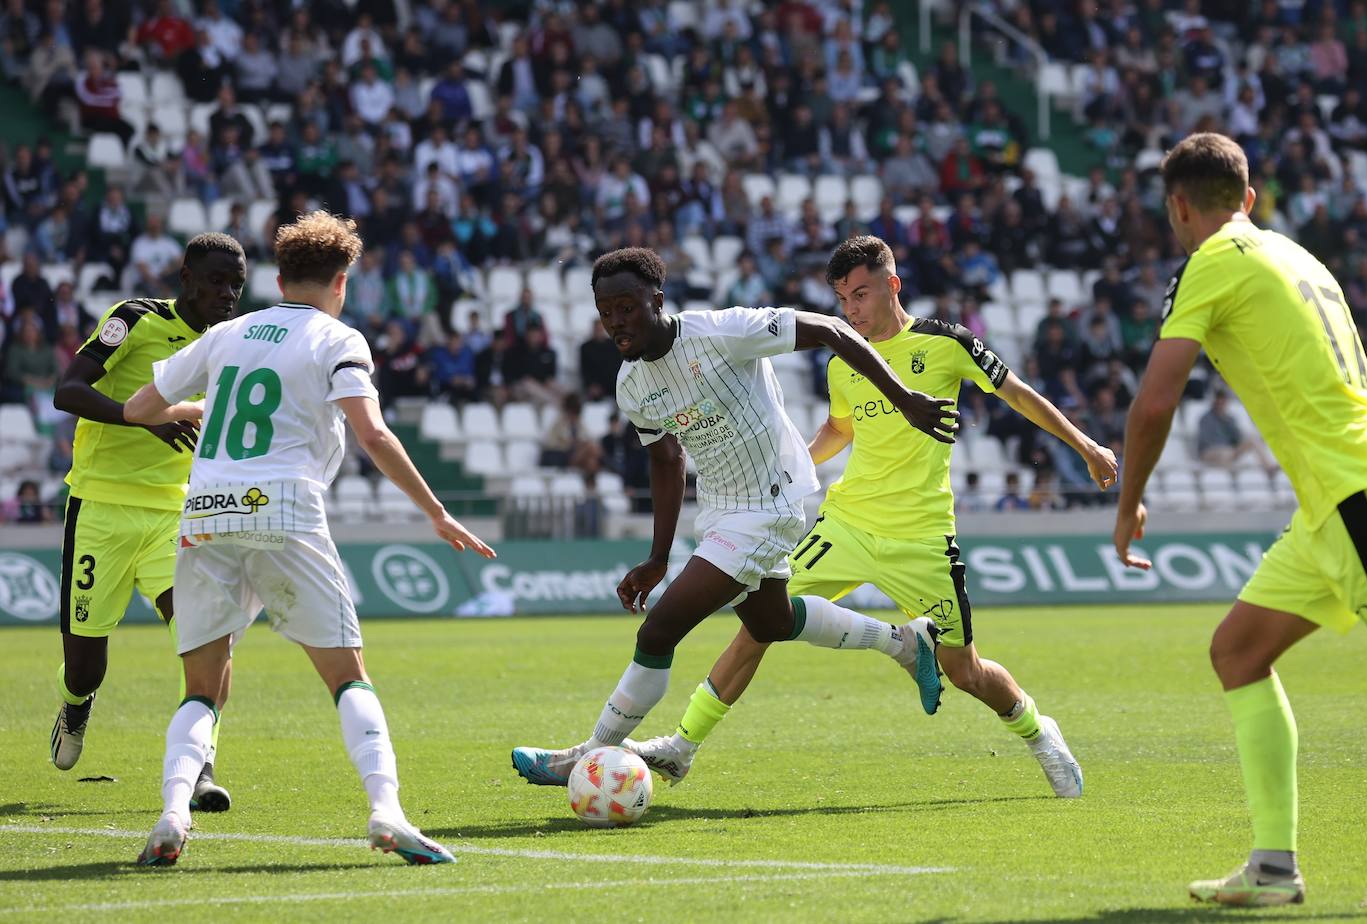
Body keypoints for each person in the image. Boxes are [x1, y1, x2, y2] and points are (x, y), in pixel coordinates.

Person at [625, 237, 1115, 795]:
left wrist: (1087, 448)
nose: (852, 310)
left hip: (925, 538)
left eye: (861, 294)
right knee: (761, 624)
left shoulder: (946, 343)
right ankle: (683, 746)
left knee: (965, 672)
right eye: (842, 299)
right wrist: (791, 466)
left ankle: (1039, 732)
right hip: (847, 524)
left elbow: (1019, 395)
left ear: (892, 284)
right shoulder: (844, 364)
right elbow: (840, 429)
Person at [123, 211, 495, 866]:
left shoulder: (228, 334)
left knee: (201, 690)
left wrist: (193, 409)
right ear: (342, 281)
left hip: (205, 512)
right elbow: (373, 434)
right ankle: (387, 811)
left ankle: (174, 812)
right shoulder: (337, 338)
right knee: (349, 679)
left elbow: (138, 410)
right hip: (283, 509)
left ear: (279, 277)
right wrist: (436, 511)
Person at [511, 246, 958, 786]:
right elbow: (666, 458)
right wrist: (657, 557)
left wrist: (904, 397)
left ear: (657, 299)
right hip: (721, 509)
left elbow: (832, 331)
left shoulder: (724, 331)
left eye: (627, 306)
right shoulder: (631, 384)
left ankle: (584, 756)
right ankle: (905, 643)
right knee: (772, 621)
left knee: (658, 633)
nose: (616, 322)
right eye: (606, 311)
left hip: (773, 499)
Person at [1112, 133, 1367, 907]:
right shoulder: (1295, 255)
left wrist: (1127, 504)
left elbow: (1155, 401)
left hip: (1355, 493)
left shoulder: (1212, 261)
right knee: (1238, 651)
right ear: (1249, 198)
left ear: (1179, 208)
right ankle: (1273, 867)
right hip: (1331, 501)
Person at [48, 233, 247, 818]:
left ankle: (201, 768)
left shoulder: (230, 343)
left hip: (175, 513)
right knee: (86, 666)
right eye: (216, 281)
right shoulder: (133, 319)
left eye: (236, 284)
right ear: (185, 277)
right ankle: (75, 703)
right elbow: (68, 390)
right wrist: (146, 419)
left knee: (208, 637)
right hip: (100, 509)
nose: (228, 294)